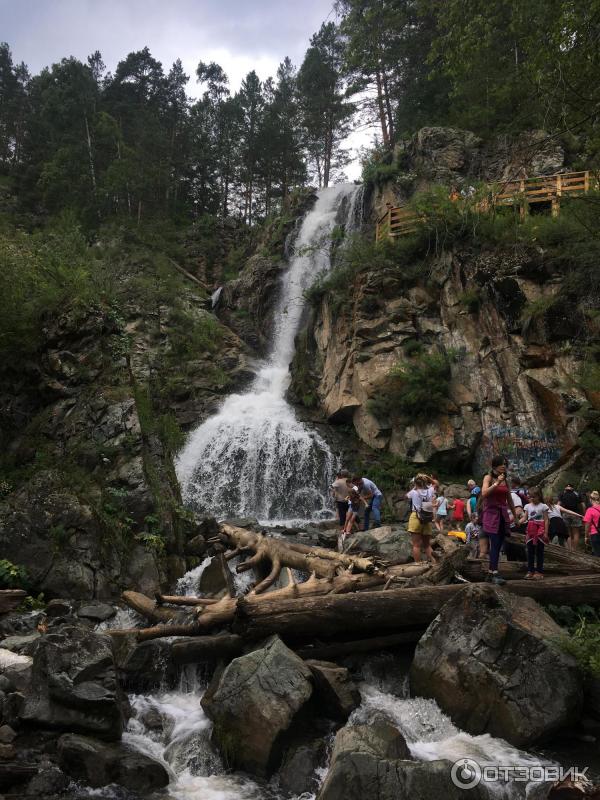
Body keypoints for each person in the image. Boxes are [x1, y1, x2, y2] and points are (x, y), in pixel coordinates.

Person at [481, 455, 520, 585]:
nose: (504, 466)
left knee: (498, 545)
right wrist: (496, 483)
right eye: (501, 463)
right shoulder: (489, 477)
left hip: (503, 515)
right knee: (495, 543)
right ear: (495, 465)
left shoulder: (506, 481)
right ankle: (494, 573)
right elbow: (484, 493)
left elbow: (509, 499)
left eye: (505, 464)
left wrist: (515, 516)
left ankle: (491, 572)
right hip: (491, 514)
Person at [406, 474, 436, 563]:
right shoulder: (430, 491)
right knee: (427, 545)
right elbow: (435, 483)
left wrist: (414, 487)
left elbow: (405, 496)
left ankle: (418, 566)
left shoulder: (414, 492)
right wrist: (427, 476)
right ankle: (435, 562)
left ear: (415, 483)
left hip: (416, 517)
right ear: (425, 482)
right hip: (427, 518)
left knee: (416, 545)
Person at [523, 486, 549, 579]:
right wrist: (518, 521)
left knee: (539, 551)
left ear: (539, 496)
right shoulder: (527, 506)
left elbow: (546, 520)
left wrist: (546, 532)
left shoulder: (543, 506)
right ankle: (530, 570)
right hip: (530, 530)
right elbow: (525, 518)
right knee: (530, 551)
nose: (532, 499)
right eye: (530, 497)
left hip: (540, 530)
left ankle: (539, 571)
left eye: (534, 497)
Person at [558, 482, 586, 551]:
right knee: (576, 533)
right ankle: (574, 550)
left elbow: (558, 505)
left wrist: (558, 514)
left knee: (568, 533)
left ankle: (569, 550)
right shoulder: (577, 494)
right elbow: (583, 505)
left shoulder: (562, 494)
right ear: (572, 488)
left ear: (565, 487)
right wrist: (584, 514)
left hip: (565, 514)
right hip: (575, 514)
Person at [584, 491, 600, 556]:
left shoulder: (590, 510)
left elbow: (587, 525)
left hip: (595, 534)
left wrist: (586, 536)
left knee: (597, 553)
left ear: (590, 499)